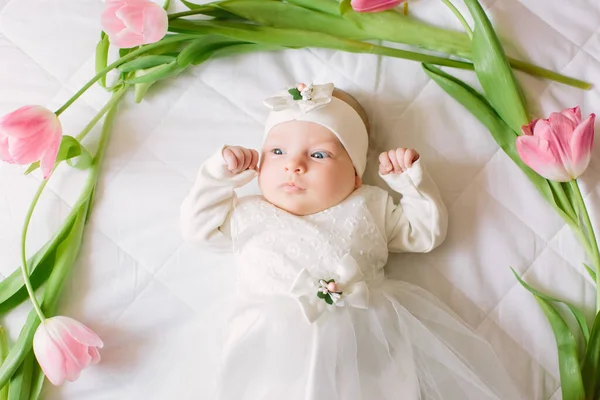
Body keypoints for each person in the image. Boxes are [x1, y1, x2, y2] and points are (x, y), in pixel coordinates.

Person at [180, 82, 523, 399]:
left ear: (356, 175)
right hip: (268, 347)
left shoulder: (370, 205)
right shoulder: (247, 212)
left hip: (365, 348)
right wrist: (219, 177)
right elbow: (199, 229)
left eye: (318, 155)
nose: (294, 166)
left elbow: (426, 233)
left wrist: (410, 183)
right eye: (278, 151)